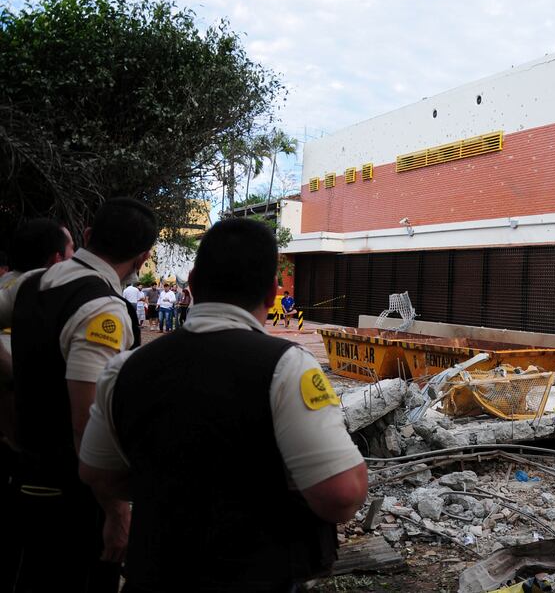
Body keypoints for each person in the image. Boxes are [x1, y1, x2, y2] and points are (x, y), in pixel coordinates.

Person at [80, 218, 367, 593]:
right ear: (272, 293)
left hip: (154, 573)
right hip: (255, 576)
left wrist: (169, 489)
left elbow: (96, 471)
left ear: (193, 283)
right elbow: (342, 495)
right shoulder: (286, 366)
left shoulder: (123, 369)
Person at [8, 198, 156, 592]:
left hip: (25, 473)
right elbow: (86, 421)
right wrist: (116, 510)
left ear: (88, 235)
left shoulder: (33, 282)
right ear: (143, 257)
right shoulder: (102, 309)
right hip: (74, 498)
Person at [0, 219, 76, 590]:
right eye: (72, 250)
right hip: (26, 448)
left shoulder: (12, 287)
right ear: (56, 259)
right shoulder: (36, 291)